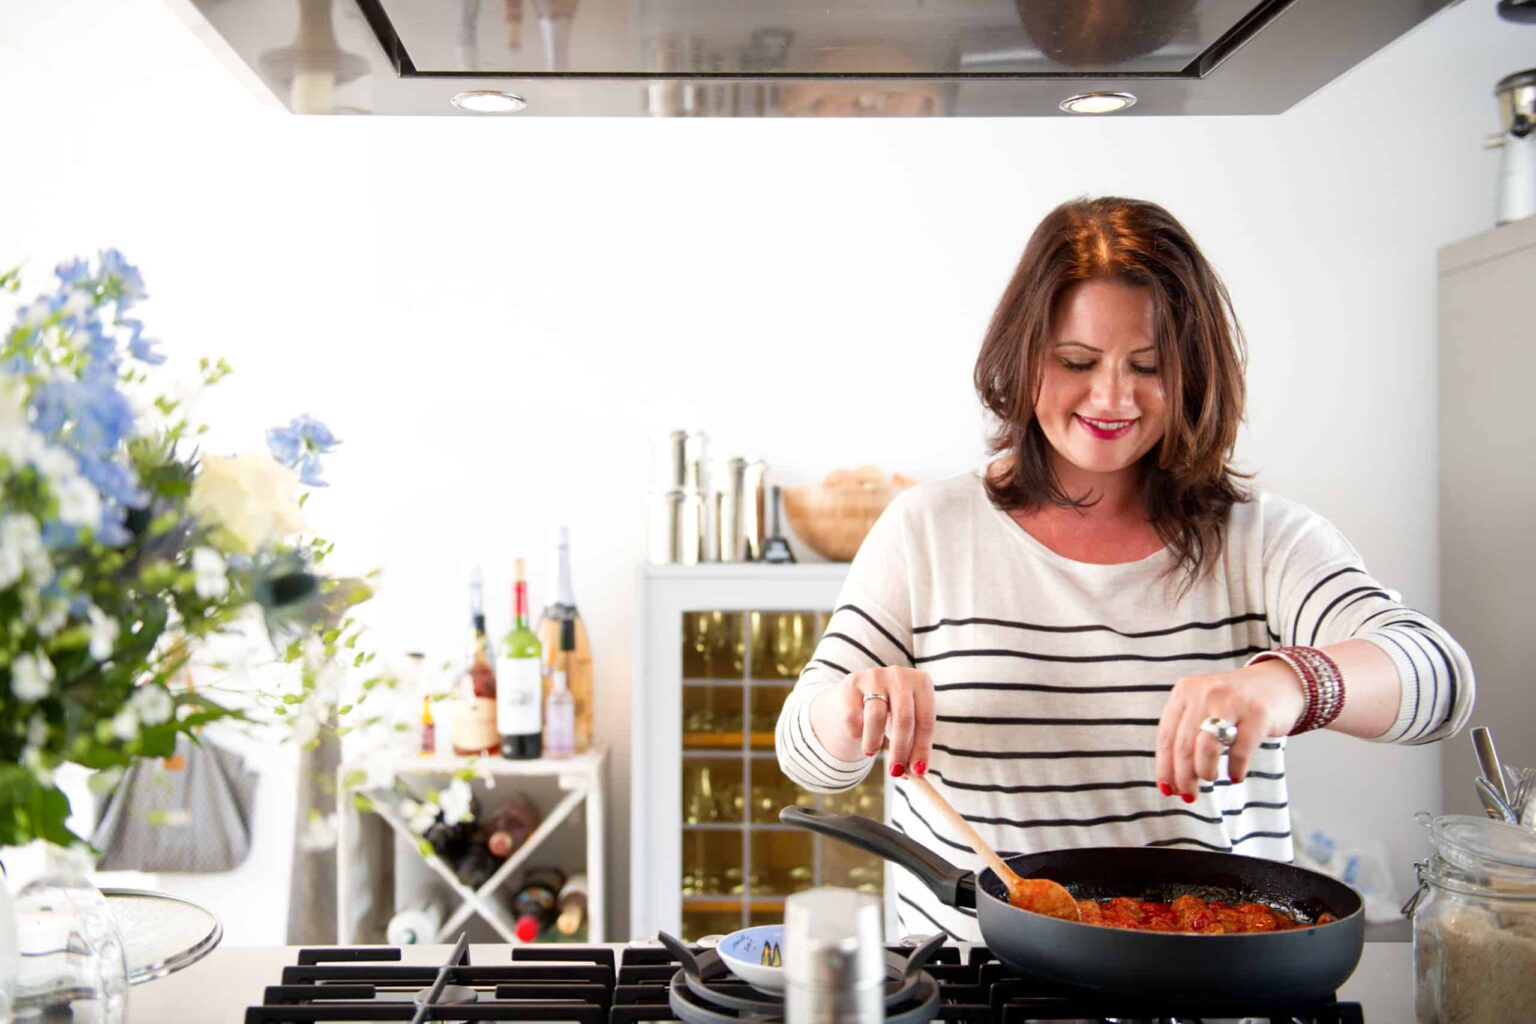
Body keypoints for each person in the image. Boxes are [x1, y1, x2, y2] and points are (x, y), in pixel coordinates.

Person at [774, 196, 1475, 941]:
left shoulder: (1260, 540)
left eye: (1148, 367)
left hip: (1206, 975)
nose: (1111, 397)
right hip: (973, 982)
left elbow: (1441, 678)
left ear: (1194, 374)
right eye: (1076, 362)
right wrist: (856, 708)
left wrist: (1285, 684)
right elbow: (806, 754)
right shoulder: (929, 530)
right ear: (1022, 357)